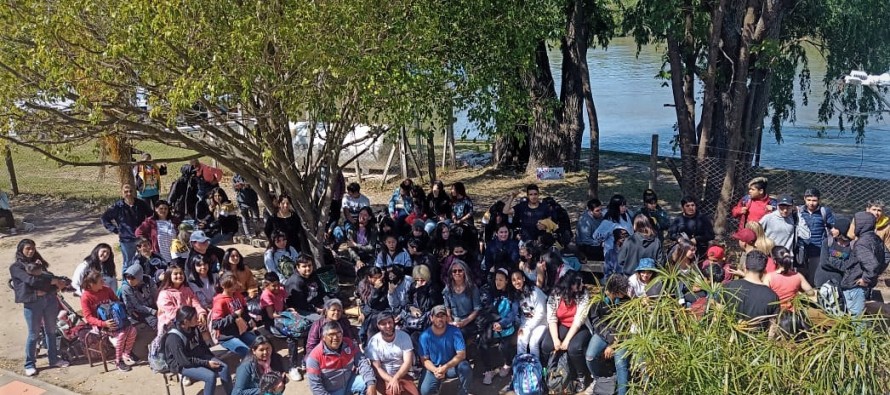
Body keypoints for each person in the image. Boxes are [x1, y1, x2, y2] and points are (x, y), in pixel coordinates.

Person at [10, 239, 70, 376]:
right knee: (33, 334)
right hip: (32, 303)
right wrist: (52, 282)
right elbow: (31, 281)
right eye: (28, 249)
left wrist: (55, 282)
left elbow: (47, 277)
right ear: (21, 250)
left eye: (33, 248)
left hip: (49, 299)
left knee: (51, 331)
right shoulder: (16, 267)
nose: (31, 251)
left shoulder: (38, 263)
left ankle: (54, 359)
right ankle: (29, 364)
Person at [540, 270, 592, 390]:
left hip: (580, 326)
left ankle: (581, 377)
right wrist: (556, 339)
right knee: (547, 345)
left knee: (574, 348)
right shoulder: (555, 294)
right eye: (579, 283)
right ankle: (550, 373)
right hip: (562, 324)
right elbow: (551, 317)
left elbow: (579, 319)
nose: (582, 285)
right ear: (570, 285)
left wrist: (567, 340)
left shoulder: (583, 294)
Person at [164, 306, 233, 395]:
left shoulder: (194, 327)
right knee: (210, 377)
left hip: (197, 355)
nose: (198, 319)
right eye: (195, 318)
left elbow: (202, 345)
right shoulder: (174, 338)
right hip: (182, 363)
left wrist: (211, 357)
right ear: (186, 321)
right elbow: (184, 361)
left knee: (224, 368)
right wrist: (206, 363)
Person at [79, 271, 138, 372]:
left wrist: (118, 311)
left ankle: (126, 353)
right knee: (121, 334)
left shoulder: (106, 290)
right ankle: (119, 362)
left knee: (132, 330)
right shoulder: (86, 297)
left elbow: (116, 300)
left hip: (114, 319)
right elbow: (88, 317)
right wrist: (104, 323)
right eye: (100, 281)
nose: (103, 283)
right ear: (91, 284)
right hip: (99, 325)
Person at [586, 274, 631, 395]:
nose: (626, 292)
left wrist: (614, 344)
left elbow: (627, 324)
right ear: (615, 290)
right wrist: (610, 339)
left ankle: (622, 392)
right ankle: (602, 380)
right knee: (590, 357)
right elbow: (597, 323)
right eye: (623, 290)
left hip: (621, 335)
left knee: (621, 363)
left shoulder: (625, 300)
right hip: (604, 333)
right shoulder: (598, 300)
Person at [306, 321, 377, 395]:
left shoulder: (348, 343)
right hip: (332, 391)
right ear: (323, 338)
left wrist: (371, 383)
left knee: (369, 383)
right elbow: (316, 387)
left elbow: (362, 361)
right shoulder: (314, 357)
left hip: (349, 382)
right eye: (331, 335)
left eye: (338, 333)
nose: (335, 338)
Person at [840, 212, 888, 316]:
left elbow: (872, 264)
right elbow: (886, 256)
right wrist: (876, 274)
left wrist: (866, 279)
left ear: (861, 225)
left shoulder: (862, 243)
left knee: (856, 319)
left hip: (855, 285)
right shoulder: (876, 239)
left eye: (854, 223)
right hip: (863, 285)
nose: (852, 226)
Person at [417, 305, 473, 395]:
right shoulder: (424, 336)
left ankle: (463, 392)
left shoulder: (455, 331)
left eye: (442, 316)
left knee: (465, 367)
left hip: (451, 367)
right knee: (424, 391)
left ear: (446, 317)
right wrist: (436, 371)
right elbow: (424, 360)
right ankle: (437, 385)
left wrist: (445, 367)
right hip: (434, 367)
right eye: (437, 316)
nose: (440, 319)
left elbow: (462, 354)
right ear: (431, 318)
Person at [479, 268, 520, 385]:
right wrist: (493, 322)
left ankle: (508, 363)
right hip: (492, 324)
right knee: (483, 344)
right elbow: (487, 310)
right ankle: (488, 370)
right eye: (496, 279)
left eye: (501, 280)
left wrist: (502, 323)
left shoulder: (512, 295)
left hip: (506, 326)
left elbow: (513, 313)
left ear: (507, 281)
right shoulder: (491, 292)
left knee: (504, 346)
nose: (498, 282)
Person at [721, 251, 779, 330]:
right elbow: (772, 328)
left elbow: (717, 316)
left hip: (727, 339)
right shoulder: (772, 297)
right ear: (764, 270)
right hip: (757, 341)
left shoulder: (728, 287)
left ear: (745, 266)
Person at [101, 183, 152, 272]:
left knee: (144, 261)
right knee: (128, 263)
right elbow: (104, 218)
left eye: (130, 191)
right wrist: (116, 230)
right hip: (126, 240)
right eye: (126, 191)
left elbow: (151, 216)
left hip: (141, 239)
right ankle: (126, 284)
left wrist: (147, 228)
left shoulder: (141, 204)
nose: (128, 193)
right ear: (122, 193)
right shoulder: (117, 206)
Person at [366, 311, 419, 395]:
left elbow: (407, 362)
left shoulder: (404, 337)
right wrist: (391, 380)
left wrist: (396, 378)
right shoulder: (373, 342)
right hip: (383, 377)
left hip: (402, 374)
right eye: (383, 324)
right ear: (378, 326)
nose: (388, 326)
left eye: (390, 322)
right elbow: (377, 368)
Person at [212, 273, 258, 358]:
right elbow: (216, 324)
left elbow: (244, 311)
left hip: (242, 332)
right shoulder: (220, 301)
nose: (233, 288)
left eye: (234, 284)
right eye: (230, 286)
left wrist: (249, 320)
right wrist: (233, 316)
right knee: (247, 353)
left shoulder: (238, 295)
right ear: (223, 286)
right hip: (227, 337)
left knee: (260, 344)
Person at [798, 188, 835, 284]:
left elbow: (833, 227)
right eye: (809, 200)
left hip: (818, 249)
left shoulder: (824, 212)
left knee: (813, 276)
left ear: (819, 200)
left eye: (814, 200)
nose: (811, 203)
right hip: (801, 249)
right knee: (799, 275)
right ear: (804, 199)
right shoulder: (799, 211)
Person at [156, 265, 208, 334]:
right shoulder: (164, 294)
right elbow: (172, 314)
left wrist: (201, 313)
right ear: (169, 276)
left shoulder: (187, 289)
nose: (179, 275)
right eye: (175, 274)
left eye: (181, 273)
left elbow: (195, 302)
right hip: (172, 327)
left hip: (189, 322)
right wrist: (191, 320)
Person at [593, 194, 634, 279]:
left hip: (627, 250)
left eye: (625, 205)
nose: (624, 208)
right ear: (616, 206)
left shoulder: (626, 215)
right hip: (613, 253)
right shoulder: (609, 220)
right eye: (621, 206)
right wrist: (609, 232)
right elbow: (596, 236)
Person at [762, 246, 815, 311]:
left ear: (774, 261)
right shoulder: (798, 276)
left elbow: (763, 297)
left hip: (775, 313)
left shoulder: (769, 277)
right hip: (792, 314)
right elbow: (811, 292)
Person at [511, 269, 548, 358]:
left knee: (533, 343)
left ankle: (535, 368)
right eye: (514, 280)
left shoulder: (535, 291)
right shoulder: (518, 294)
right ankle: (522, 366)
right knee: (521, 340)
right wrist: (522, 327)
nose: (516, 282)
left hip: (542, 322)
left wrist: (528, 327)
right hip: (527, 322)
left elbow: (541, 312)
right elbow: (524, 314)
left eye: (518, 279)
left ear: (523, 278)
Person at [442, 260, 482, 340]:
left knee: (458, 335)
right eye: (454, 271)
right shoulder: (448, 288)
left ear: (465, 272)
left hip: (469, 321)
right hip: (453, 320)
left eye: (460, 270)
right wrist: (449, 321)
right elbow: (447, 307)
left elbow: (477, 309)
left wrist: (464, 322)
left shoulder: (472, 288)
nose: (457, 273)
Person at [135, 199, 180, 263]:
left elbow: (181, 231)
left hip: (174, 252)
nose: (163, 210)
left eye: (165, 209)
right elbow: (138, 232)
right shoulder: (150, 221)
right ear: (156, 209)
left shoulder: (174, 220)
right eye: (161, 208)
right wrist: (147, 242)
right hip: (159, 253)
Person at [119, 264, 159, 329]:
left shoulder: (148, 280)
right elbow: (136, 305)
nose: (129, 281)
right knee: (154, 321)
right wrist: (153, 311)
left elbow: (155, 294)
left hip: (150, 305)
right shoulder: (126, 288)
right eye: (128, 277)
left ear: (139, 277)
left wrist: (159, 306)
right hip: (136, 311)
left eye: (132, 278)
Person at [232, 173, 261, 237]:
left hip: (252, 200)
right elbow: (234, 188)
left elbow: (257, 185)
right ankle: (248, 235)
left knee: (256, 218)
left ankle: (257, 233)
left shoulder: (251, 173)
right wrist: (237, 186)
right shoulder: (236, 176)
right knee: (245, 219)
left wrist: (246, 185)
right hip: (242, 201)